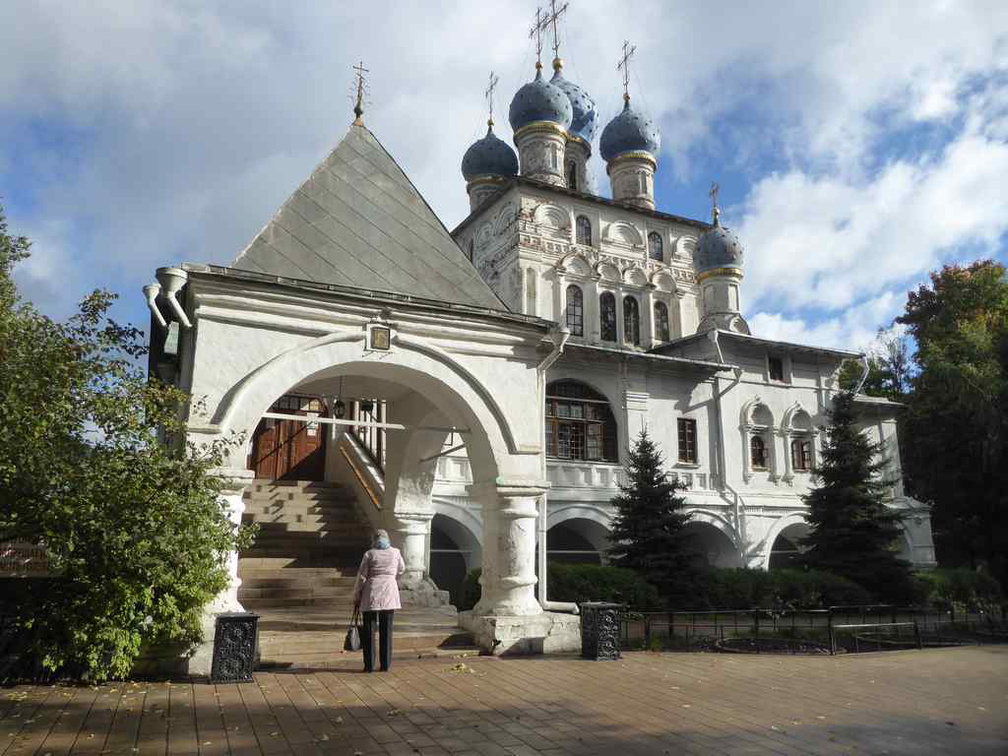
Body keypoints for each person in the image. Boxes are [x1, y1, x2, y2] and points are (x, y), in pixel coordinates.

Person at [352, 529, 405, 672]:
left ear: (373, 540)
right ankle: (385, 664)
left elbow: (362, 577)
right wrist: (392, 578)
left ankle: (369, 665)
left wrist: (356, 595)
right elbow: (401, 569)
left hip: (372, 593)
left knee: (369, 630)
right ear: (388, 538)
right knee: (386, 630)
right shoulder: (396, 552)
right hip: (389, 592)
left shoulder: (370, 554)